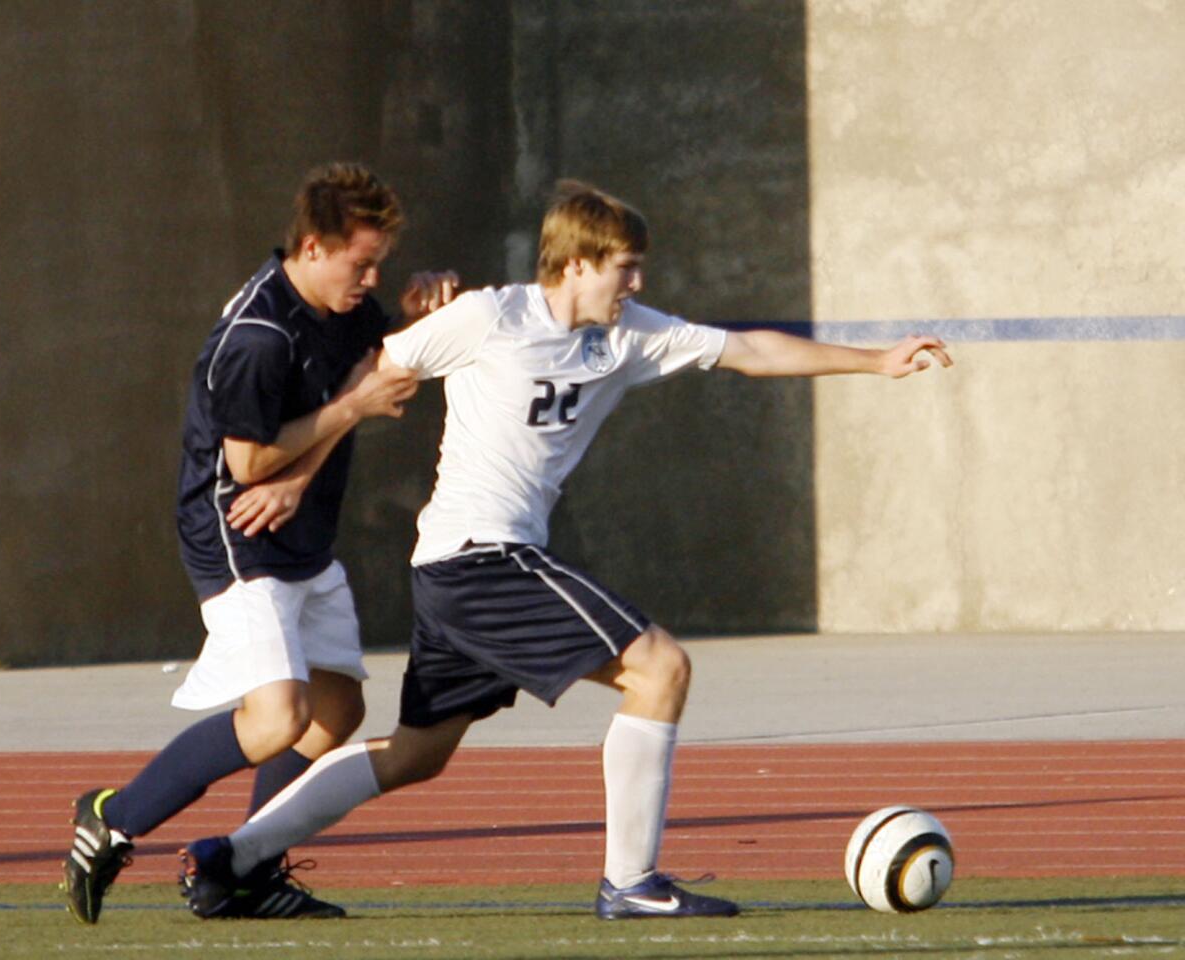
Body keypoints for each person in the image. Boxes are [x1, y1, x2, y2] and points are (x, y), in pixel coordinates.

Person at [175, 180, 953, 921]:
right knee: (661, 667)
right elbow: (378, 369)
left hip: (458, 571)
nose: (638, 282)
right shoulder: (490, 317)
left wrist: (877, 361)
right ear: (576, 264)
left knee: (415, 756)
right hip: (482, 557)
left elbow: (750, 349)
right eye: (625, 267)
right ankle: (632, 882)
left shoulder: (630, 335)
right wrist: (301, 472)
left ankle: (231, 857)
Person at [62, 162, 457, 924]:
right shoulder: (258, 337)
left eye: (379, 263)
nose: (370, 278)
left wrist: (426, 304)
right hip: (238, 533)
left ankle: (240, 870)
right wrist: (351, 408)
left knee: (335, 711)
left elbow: (387, 364)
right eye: (361, 263)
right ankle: (113, 814)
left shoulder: (342, 305)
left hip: (300, 530)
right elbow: (249, 466)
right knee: (277, 716)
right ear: (312, 247)